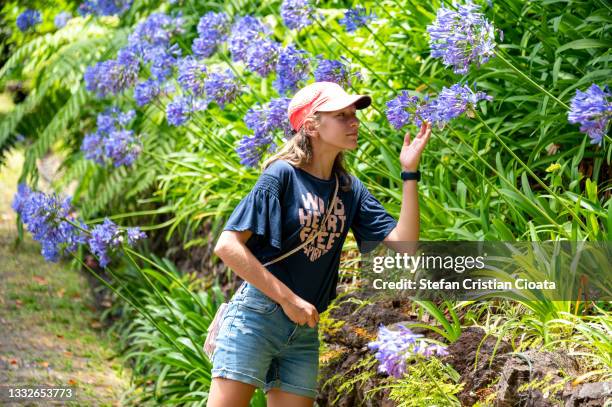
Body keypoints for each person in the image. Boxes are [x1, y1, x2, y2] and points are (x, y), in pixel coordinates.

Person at [206, 81, 432, 407]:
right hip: (258, 316)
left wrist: (409, 173)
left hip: (304, 330)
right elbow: (227, 245)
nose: (353, 122)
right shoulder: (282, 176)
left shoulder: (349, 189)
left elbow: (405, 244)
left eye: (353, 114)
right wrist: (288, 299)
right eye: (341, 115)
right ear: (311, 125)